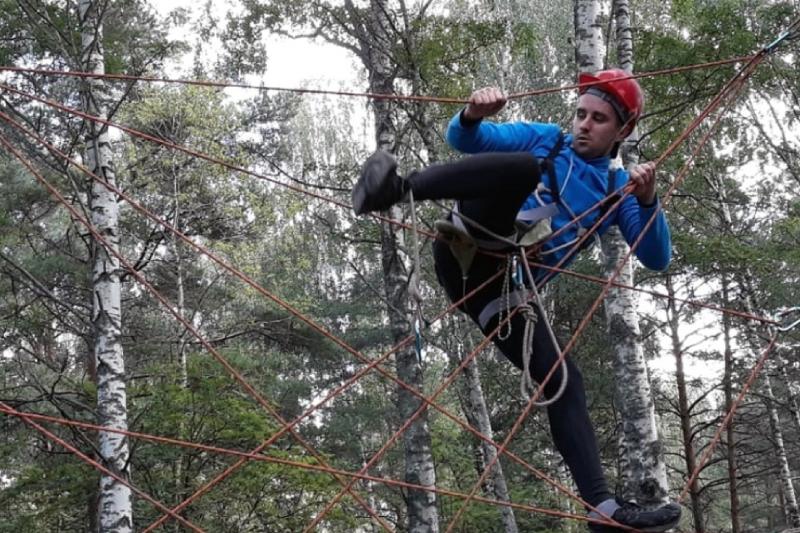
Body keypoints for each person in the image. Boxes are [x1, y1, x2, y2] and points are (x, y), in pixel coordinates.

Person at [352, 69, 681, 532]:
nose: (585, 124)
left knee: (564, 380)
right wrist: (471, 115)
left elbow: (656, 256)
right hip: (467, 242)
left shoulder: (616, 189)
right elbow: (467, 140)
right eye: (581, 114)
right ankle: (398, 188)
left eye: (600, 119)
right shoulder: (548, 141)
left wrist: (647, 202)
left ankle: (602, 511)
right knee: (524, 167)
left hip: (502, 288)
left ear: (622, 130)